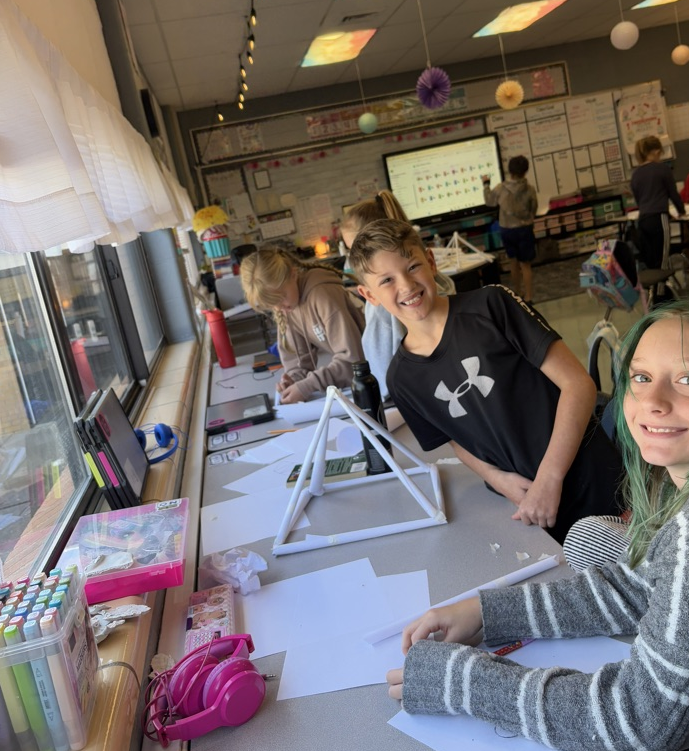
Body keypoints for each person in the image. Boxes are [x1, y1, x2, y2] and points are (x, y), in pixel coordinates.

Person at [386, 301, 689, 751]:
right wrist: (487, 612)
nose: (654, 401)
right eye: (641, 377)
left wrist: (461, 681)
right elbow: (635, 588)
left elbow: (637, 724)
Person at [348, 219, 622, 544]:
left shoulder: (492, 306)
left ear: (431, 262)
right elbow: (456, 440)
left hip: (594, 483)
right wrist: (499, 480)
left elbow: (579, 385)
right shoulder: (402, 378)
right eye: (387, 280)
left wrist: (550, 478)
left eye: (412, 267)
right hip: (527, 504)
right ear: (369, 295)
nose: (406, 286)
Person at [340, 190, 455, 399]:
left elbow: (382, 379)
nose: (354, 258)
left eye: (355, 247)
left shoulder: (382, 309)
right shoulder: (440, 286)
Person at [240, 246, 364, 404]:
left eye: (281, 297)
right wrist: (293, 380)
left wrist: (309, 385)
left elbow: (354, 362)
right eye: (272, 304)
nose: (278, 308)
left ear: (293, 274)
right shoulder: (288, 305)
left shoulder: (323, 295)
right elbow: (298, 361)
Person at [630, 135, 685, 303]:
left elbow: (640, 199)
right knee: (662, 256)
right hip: (659, 218)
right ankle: (661, 296)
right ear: (655, 151)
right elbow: (672, 194)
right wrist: (681, 211)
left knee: (651, 258)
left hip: (644, 219)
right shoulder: (662, 169)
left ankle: (655, 291)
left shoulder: (636, 174)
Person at [482, 156, 538, 304]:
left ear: (509, 170)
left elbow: (489, 201)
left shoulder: (501, 188)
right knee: (525, 264)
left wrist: (486, 185)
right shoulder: (529, 189)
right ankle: (529, 296)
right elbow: (534, 208)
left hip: (507, 229)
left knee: (513, 261)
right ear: (525, 171)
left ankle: (517, 293)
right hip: (525, 228)